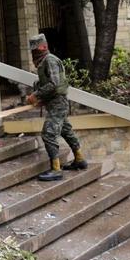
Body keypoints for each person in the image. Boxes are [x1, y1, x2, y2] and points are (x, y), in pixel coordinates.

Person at [25, 34, 87, 181]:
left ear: (43, 46)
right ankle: (79, 159)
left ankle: (56, 169)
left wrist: (36, 95)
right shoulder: (44, 61)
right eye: (33, 50)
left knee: (48, 134)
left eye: (36, 49)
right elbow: (48, 84)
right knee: (66, 131)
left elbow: (54, 84)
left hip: (58, 104)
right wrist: (41, 98)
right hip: (55, 103)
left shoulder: (50, 60)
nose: (34, 53)